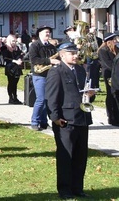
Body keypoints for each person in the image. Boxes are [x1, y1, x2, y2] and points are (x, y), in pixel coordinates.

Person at [46, 41, 95, 199]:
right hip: (65, 120)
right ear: (62, 55)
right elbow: (51, 96)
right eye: (71, 53)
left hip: (82, 117)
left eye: (76, 53)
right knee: (66, 156)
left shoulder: (80, 69)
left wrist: (89, 95)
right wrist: (55, 117)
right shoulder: (56, 72)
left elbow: (82, 92)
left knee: (81, 156)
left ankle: (77, 188)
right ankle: (65, 189)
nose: (75, 56)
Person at [29, 25, 59, 130]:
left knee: (47, 100)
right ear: (40, 33)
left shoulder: (51, 46)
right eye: (46, 32)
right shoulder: (34, 45)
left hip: (50, 75)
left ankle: (44, 122)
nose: (48, 34)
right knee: (41, 99)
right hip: (39, 75)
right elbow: (34, 60)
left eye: (49, 32)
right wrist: (49, 61)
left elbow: (57, 57)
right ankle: (34, 122)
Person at [97, 32, 118, 126]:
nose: (116, 41)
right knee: (111, 94)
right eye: (114, 39)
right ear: (109, 41)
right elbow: (107, 64)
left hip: (116, 73)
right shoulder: (103, 50)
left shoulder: (116, 49)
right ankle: (112, 117)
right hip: (109, 74)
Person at [1, 33, 24, 104]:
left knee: (15, 83)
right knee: (11, 83)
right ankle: (11, 97)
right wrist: (15, 61)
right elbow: (5, 58)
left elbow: (20, 55)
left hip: (17, 67)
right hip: (10, 67)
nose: (14, 43)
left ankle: (15, 97)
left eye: (15, 41)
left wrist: (20, 59)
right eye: (13, 41)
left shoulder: (17, 48)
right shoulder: (5, 48)